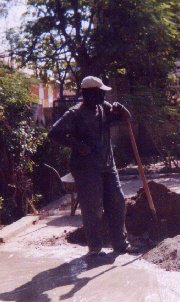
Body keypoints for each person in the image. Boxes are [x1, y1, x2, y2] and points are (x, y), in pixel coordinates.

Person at [49, 76, 132, 256]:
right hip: (86, 169)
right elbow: (54, 133)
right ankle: (95, 246)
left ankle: (121, 243)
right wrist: (78, 145)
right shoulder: (74, 114)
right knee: (92, 207)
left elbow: (126, 119)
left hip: (108, 165)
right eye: (100, 92)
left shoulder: (104, 109)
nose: (103, 96)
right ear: (89, 93)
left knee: (117, 202)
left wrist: (123, 111)